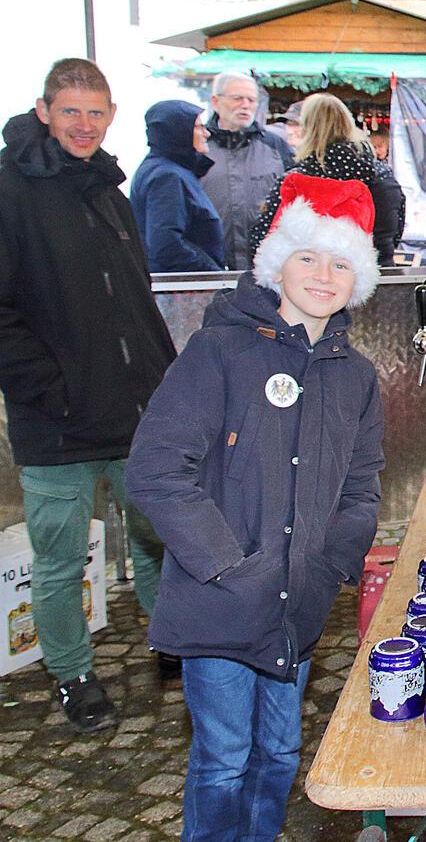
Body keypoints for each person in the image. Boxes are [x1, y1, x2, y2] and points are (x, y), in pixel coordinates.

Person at [126, 173, 384, 842]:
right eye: (307, 256)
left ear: (357, 276)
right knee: (223, 759)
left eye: (339, 262)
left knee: (278, 754)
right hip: (222, 602)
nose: (322, 275)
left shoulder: (355, 377)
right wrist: (225, 563)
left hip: (297, 603)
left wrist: (329, 564)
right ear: (277, 262)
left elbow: (361, 485)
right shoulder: (220, 351)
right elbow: (156, 470)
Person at [0, 58, 177, 731]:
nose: (83, 124)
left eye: (96, 112)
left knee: (160, 538)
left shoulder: (109, 188)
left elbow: (136, 298)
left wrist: (166, 381)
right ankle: (73, 673)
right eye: (70, 110)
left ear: (111, 117)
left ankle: (171, 643)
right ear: (43, 110)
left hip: (134, 411)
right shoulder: (10, 189)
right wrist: (51, 388)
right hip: (57, 421)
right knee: (62, 559)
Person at [250, 93, 406, 266]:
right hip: (377, 275)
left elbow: (264, 241)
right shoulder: (383, 175)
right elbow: (396, 230)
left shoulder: (298, 180)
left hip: (314, 280)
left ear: (308, 129)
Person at [200, 72, 293, 270]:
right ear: (216, 101)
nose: (245, 105)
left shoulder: (275, 146)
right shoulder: (199, 146)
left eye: (251, 100)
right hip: (211, 266)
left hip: (266, 267)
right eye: (237, 98)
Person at [130, 102, 226, 272]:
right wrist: (212, 274)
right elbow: (166, 245)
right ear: (178, 132)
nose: (207, 133)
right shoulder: (167, 176)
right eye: (198, 127)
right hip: (180, 289)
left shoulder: (168, 169)